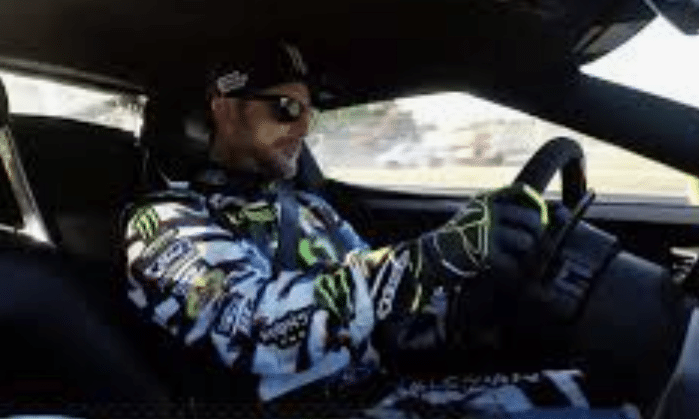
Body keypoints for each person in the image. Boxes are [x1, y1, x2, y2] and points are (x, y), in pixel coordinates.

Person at [121, 41, 641, 417]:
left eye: (309, 111)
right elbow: (258, 326)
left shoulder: (310, 209)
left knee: (611, 394)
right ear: (227, 111)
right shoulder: (162, 225)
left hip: (385, 393)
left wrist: (475, 289)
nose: (304, 126)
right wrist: (430, 259)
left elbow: (388, 313)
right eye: (286, 108)